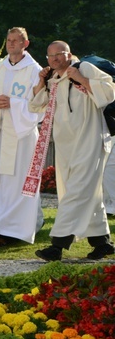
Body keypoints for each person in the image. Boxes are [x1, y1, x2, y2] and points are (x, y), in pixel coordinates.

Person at [30, 41, 115, 261]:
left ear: (69, 54)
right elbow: (35, 105)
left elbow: (109, 90)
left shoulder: (83, 68)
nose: (54, 59)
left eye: (59, 54)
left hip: (90, 141)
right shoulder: (54, 78)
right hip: (67, 146)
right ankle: (102, 242)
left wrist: (81, 79)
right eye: (50, 56)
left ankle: (57, 245)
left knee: (76, 191)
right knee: (87, 193)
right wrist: (41, 81)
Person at [0, 27, 44, 247]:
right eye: (9, 40)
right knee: (1, 183)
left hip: (22, 136)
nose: (11, 44)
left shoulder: (35, 71)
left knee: (19, 182)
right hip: (2, 133)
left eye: (16, 40)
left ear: (26, 43)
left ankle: (14, 230)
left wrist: (13, 103)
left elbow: (40, 105)